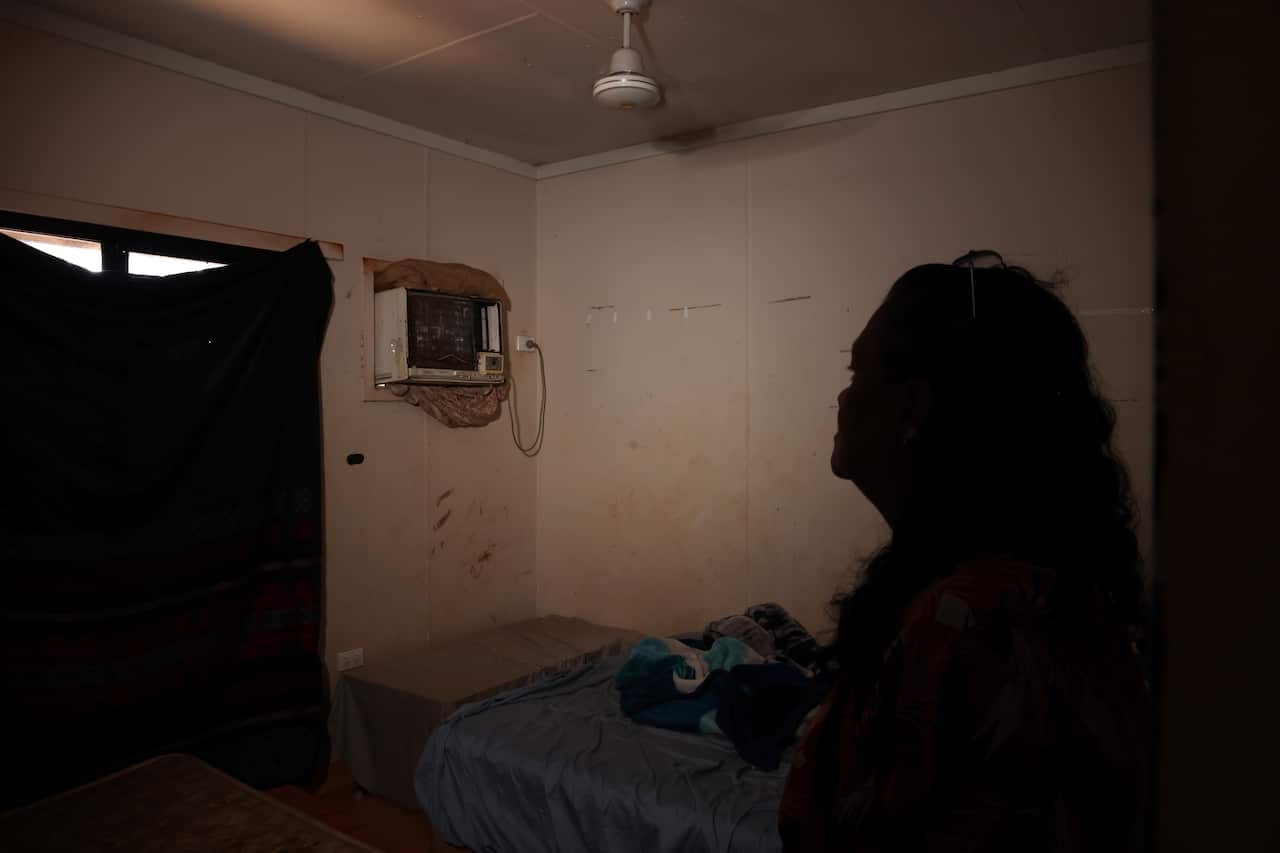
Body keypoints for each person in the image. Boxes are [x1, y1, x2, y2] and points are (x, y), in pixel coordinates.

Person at [780, 255, 1150, 852]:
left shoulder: (977, 624)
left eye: (858, 372)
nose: (843, 398)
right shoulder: (1011, 592)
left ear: (913, 407)